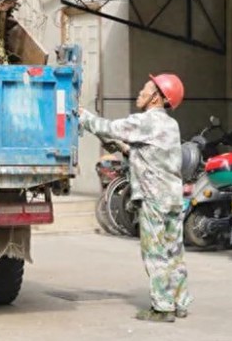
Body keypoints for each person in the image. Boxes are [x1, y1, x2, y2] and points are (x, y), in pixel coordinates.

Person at [80, 73, 192, 323]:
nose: (140, 92)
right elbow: (150, 155)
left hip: (154, 199)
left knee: (155, 252)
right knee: (174, 251)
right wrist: (122, 148)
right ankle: (180, 302)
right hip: (173, 197)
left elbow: (108, 127)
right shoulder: (170, 125)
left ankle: (162, 308)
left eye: (145, 89)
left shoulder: (147, 121)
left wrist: (83, 116)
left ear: (157, 97)